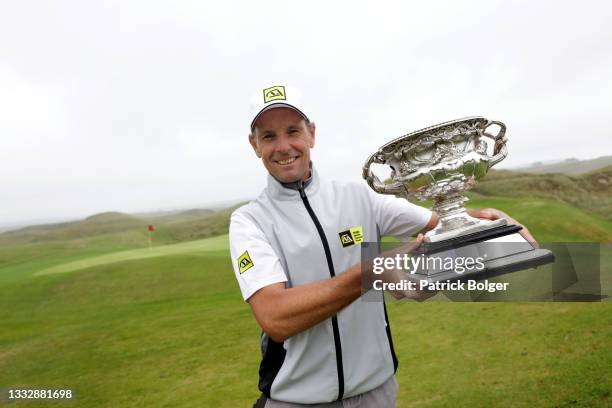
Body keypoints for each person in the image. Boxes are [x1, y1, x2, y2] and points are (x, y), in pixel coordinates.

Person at [229, 85, 533, 407]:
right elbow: (276, 317)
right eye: (269, 136)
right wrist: (371, 273)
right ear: (254, 145)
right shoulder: (250, 221)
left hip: (378, 394)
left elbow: (442, 223)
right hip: (296, 401)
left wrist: (487, 223)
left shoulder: (358, 197)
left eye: (293, 131)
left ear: (311, 134)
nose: (283, 146)